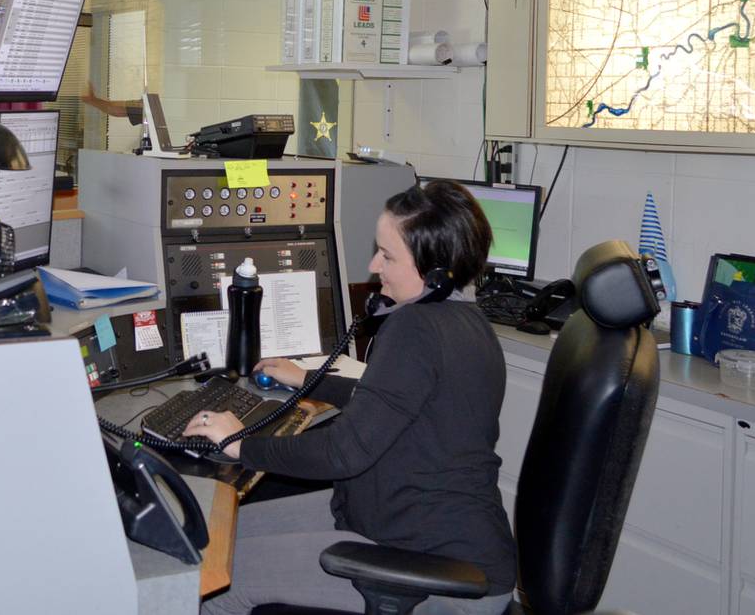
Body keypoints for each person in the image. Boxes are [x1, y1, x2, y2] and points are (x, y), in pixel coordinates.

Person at [183, 179, 516, 615]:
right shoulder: (468, 322)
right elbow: (390, 399)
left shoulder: (415, 329)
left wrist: (240, 443)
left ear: (436, 273)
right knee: (214, 538)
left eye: (389, 256)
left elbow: (344, 453)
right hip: (404, 521)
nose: (374, 265)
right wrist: (308, 379)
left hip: (440, 570)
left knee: (214, 582)